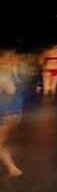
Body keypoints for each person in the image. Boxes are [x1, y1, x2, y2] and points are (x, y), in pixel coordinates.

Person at [0, 47, 24, 177]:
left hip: (5, 114)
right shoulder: (15, 72)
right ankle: (12, 168)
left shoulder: (5, 74)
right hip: (13, 114)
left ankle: (12, 168)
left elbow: (10, 90)